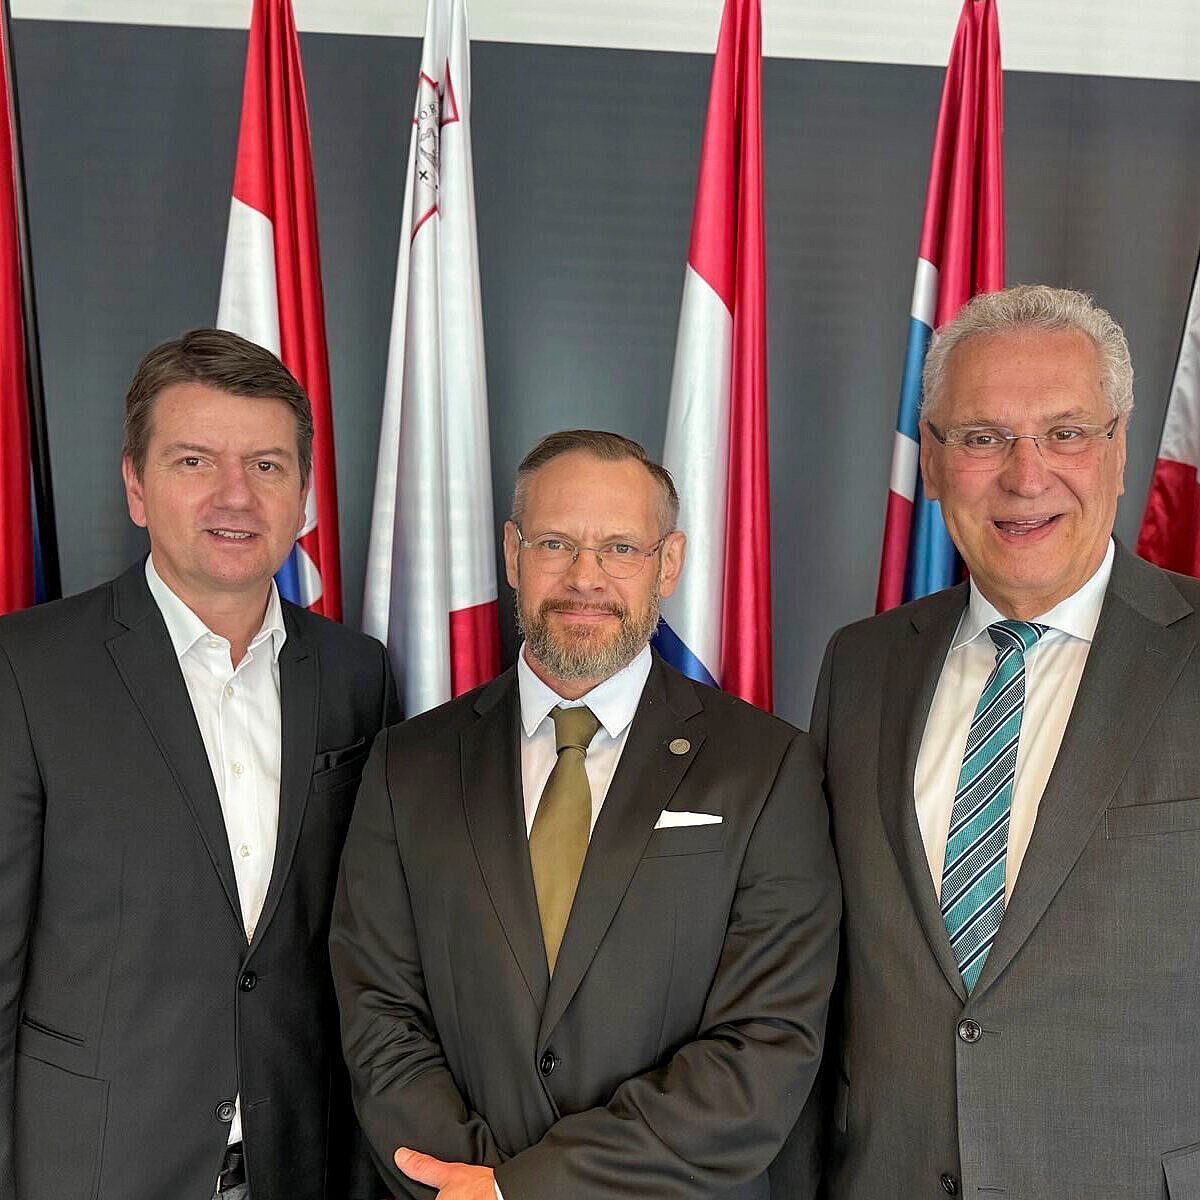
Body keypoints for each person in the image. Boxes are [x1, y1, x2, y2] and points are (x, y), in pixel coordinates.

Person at [331, 429, 840, 1199]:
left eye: (621, 549)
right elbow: (379, 1015)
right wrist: (463, 1186)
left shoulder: (767, 769)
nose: (584, 578)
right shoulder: (408, 765)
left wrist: (523, 1190)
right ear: (512, 553)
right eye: (555, 543)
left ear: (668, 562)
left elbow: (763, 1048)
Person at [774, 284, 1200, 1197]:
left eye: (1065, 433)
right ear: (931, 460)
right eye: (981, 437)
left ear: (1121, 448)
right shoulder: (862, 666)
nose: (1024, 474)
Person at [0, 329, 398, 1200]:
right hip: (94, 1163)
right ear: (136, 486)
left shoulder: (357, 673)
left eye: (265, 465)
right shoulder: (26, 669)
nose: (235, 496)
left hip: (302, 1157)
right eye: (192, 461)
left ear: (303, 493)